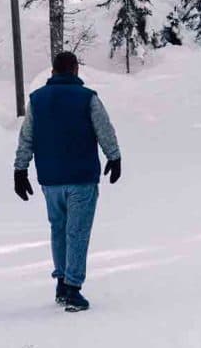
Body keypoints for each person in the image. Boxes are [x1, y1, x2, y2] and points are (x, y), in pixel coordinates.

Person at [13, 51, 122, 312]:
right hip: (81, 176)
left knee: (58, 229)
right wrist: (114, 156)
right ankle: (73, 288)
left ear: (53, 71)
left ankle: (62, 282)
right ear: (74, 70)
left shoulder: (37, 100)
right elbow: (103, 128)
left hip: (50, 179)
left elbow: (27, 136)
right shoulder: (87, 98)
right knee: (77, 232)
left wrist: (20, 169)